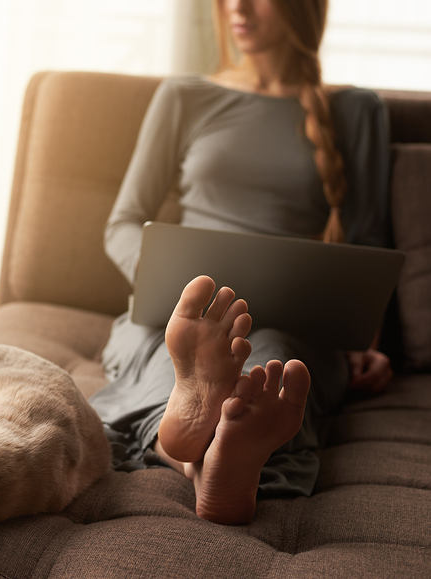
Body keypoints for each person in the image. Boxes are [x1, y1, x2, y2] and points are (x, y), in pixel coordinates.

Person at [88, 0, 394, 525]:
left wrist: (369, 341)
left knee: (269, 361)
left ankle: (202, 449)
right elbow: (123, 221)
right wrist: (168, 281)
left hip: (292, 324)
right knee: (183, 355)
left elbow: (366, 242)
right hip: (177, 314)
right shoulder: (185, 95)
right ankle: (214, 462)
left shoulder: (357, 110)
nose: (237, 7)